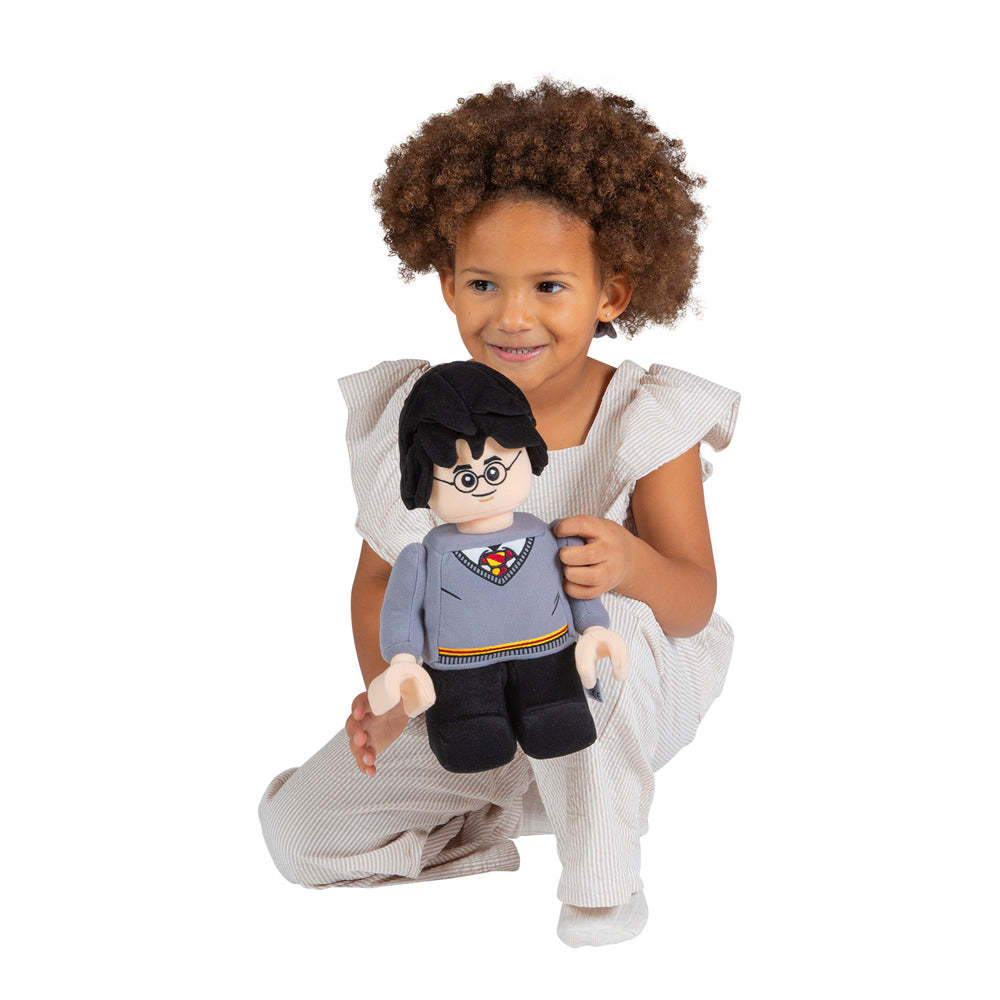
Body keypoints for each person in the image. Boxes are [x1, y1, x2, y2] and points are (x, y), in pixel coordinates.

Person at [258, 77, 741, 948]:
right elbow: (380, 582)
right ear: (447, 284)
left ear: (612, 295)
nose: (512, 316)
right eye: (483, 282)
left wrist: (630, 564)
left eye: (550, 286)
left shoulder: (645, 418)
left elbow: (692, 602)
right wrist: (395, 689)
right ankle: (519, 798)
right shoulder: (419, 414)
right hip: (471, 688)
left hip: (606, 679)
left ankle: (601, 881)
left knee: (612, 613)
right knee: (299, 837)